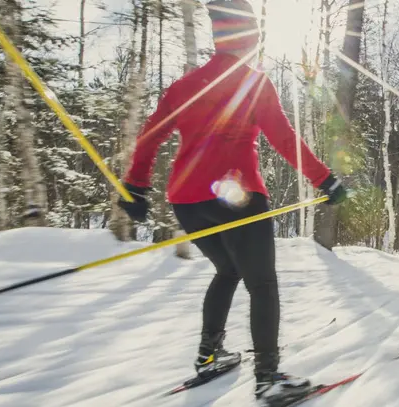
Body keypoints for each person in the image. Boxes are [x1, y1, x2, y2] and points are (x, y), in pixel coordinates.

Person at [116, 0, 347, 404]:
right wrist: (324, 179)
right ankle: (268, 377)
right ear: (250, 37)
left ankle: (209, 356)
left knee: (227, 270)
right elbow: (283, 140)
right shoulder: (254, 82)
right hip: (237, 197)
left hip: (186, 201)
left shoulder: (184, 87)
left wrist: (135, 186)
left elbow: (149, 137)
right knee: (262, 282)